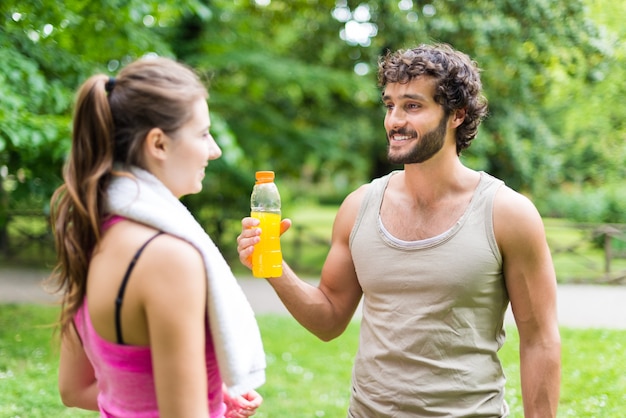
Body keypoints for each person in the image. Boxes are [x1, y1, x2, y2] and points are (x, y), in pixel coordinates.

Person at [237, 43, 561, 417]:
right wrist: (273, 266)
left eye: (412, 105)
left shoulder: (507, 213)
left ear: (456, 114)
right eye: (389, 105)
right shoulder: (358, 207)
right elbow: (328, 320)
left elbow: (540, 340)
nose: (394, 120)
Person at [49, 57, 264, 418]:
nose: (215, 150)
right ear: (159, 144)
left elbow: (75, 389)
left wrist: (209, 398)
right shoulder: (170, 258)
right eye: (202, 133)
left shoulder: (92, 232)